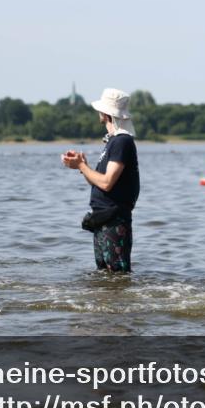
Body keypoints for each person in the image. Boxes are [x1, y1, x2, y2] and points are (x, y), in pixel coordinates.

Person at [62, 88, 140, 273]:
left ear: (105, 113)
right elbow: (99, 182)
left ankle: (120, 303)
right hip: (103, 218)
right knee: (105, 275)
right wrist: (83, 166)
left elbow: (106, 182)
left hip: (114, 218)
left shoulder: (122, 141)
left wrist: (81, 166)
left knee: (117, 274)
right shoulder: (112, 141)